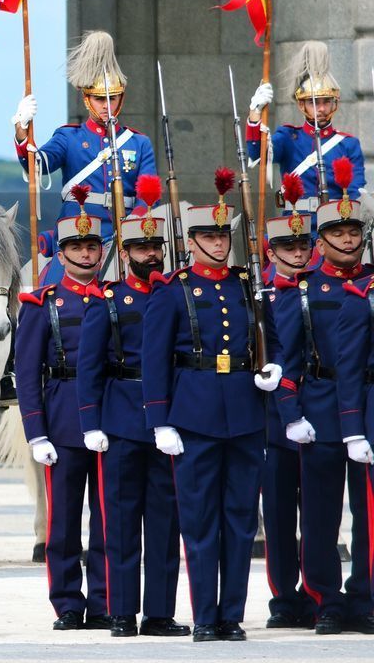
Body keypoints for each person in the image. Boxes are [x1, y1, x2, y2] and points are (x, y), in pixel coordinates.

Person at [142, 168, 275, 642]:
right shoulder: (172, 291)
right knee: (199, 523)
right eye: (209, 237)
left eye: (224, 236)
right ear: (192, 242)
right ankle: (204, 616)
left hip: (243, 411)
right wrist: (160, 420)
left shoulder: (245, 286)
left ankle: (231, 615)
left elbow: (268, 340)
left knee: (240, 521)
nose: (219, 245)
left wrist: (271, 369)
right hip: (194, 412)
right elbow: (154, 360)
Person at [76, 176, 188, 638]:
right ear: (124, 254)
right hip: (121, 419)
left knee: (164, 523)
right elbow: (89, 366)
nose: (151, 255)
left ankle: (159, 612)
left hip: (168, 423)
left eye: (155, 247)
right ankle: (122, 611)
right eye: (141, 249)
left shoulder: (176, 296)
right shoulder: (108, 301)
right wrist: (90, 422)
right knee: (120, 522)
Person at [271, 161, 374, 635]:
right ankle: (326, 599)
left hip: (367, 407)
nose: (349, 241)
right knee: (319, 515)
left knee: (368, 513)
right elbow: (288, 362)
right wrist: (291, 414)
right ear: (322, 239)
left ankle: (364, 595)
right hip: (319, 404)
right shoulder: (303, 290)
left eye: (355, 231)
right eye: (339, 232)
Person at [14, 184, 109, 631]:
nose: (86, 254)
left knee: (111, 518)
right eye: (77, 246)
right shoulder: (43, 303)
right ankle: (69, 601)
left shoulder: (116, 299)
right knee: (65, 520)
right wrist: (35, 431)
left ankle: (109, 597)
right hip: (62, 418)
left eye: (92, 245)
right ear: (62, 252)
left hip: (111, 419)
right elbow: (27, 371)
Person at [12, 31, 156, 284]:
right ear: (87, 99)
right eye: (100, 99)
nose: (106, 106)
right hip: (79, 231)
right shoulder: (69, 138)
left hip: (126, 229)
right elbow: (37, 164)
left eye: (113, 99)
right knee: (55, 288)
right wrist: (22, 132)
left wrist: (136, 219)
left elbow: (149, 191)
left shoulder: (138, 142)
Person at [260, 174, 317, 629]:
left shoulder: (322, 289)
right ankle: (283, 597)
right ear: (271, 252)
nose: (299, 254)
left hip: (318, 414)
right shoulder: (257, 296)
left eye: (304, 247)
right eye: (290, 248)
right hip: (271, 423)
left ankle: (317, 591)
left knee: (318, 514)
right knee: (279, 517)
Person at [247, 40, 365, 215]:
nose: (322, 108)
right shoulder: (288, 138)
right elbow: (257, 154)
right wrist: (255, 112)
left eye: (327, 101)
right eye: (314, 102)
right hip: (296, 225)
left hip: (336, 226)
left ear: (335, 103)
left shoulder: (348, 144)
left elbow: (356, 193)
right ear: (302, 104)